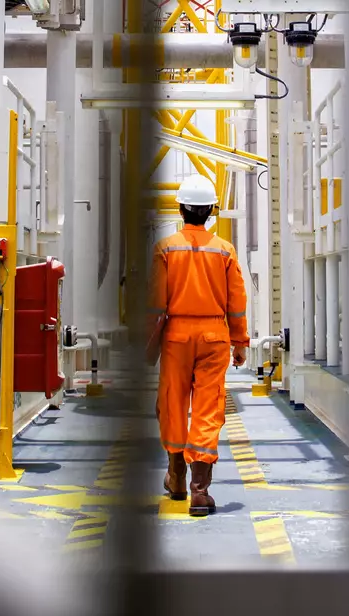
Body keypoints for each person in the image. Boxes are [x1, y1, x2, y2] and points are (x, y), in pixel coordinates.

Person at [148, 174, 250, 517]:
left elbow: (155, 303)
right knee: (208, 410)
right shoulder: (224, 250)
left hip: (176, 336)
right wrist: (240, 342)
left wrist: (149, 344)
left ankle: (175, 478)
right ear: (210, 212)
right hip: (213, 336)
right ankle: (200, 491)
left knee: (173, 405)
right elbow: (236, 301)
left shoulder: (165, 248)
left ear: (180, 209)